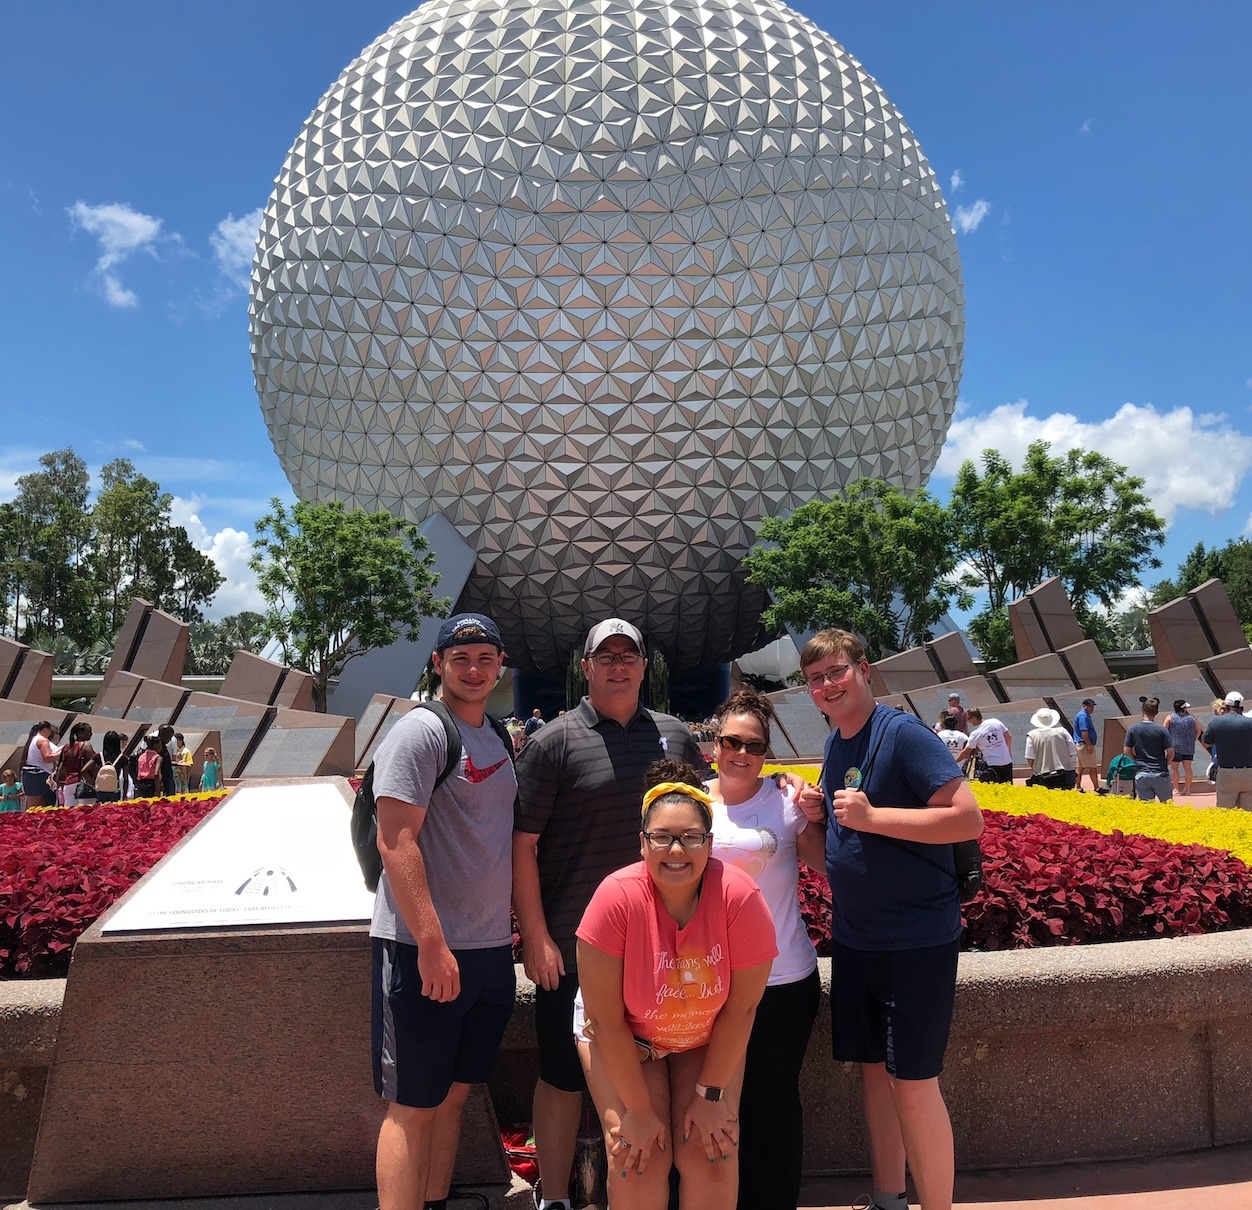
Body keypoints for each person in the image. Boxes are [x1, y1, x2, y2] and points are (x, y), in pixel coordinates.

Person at [513, 618, 708, 1210]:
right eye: (606, 657)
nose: (618, 666)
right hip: (576, 942)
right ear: (586, 667)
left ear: (645, 667)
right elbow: (522, 844)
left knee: (658, 1071)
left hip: (661, 946)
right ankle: (555, 1196)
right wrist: (538, 937)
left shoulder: (674, 738)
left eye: (629, 656)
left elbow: (699, 834)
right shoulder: (554, 742)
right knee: (563, 1075)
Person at [801, 628, 983, 1210]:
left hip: (916, 941)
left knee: (912, 1083)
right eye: (815, 678)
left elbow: (967, 819)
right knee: (874, 1075)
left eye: (837, 671)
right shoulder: (835, 746)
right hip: (858, 939)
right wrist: (812, 817)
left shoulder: (902, 734)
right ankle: (887, 1198)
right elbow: (840, 845)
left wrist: (874, 817)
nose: (828, 685)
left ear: (864, 670)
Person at [575, 760, 776, 1210]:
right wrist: (639, 1112)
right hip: (624, 1035)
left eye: (691, 837)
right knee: (637, 1156)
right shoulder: (615, 898)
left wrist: (710, 1097)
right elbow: (605, 1021)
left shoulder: (740, 897)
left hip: (705, 1034)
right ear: (642, 843)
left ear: (710, 843)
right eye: (661, 836)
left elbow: (741, 1009)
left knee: (713, 1153)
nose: (676, 850)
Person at [370, 612, 517, 1210]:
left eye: (485, 658)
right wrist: (431, 942)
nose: (474, 669)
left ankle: (433, 1202)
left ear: (500, 664)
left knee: (455, 1096)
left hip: (486, 951)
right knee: (411, 1106)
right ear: (438, 665)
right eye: (461, 659)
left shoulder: (499, 736)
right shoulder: (420, 732)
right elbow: (395, 838)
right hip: (423, 950)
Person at [704, 688, 824, 1210]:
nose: (741, 753)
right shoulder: (690, 801)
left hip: (782, 979)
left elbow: (826, 864)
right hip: (707, 982)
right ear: (714, 745)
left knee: (772, 1104)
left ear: (766, 752)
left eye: (754, 745)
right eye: (732, 741)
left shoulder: (786, 802)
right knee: (712, 1104)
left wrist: (817, 813)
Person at [1200, 691, 1252, 810]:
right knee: (1249, 812)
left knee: (1225, 811)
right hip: (1249, 771)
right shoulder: (1250, 723)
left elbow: (1205, 742)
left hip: (1226, 772)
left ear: (1226, 706)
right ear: (1242, 706)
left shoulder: (1217, 722)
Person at [1123, 697, 1173, 803]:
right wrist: (1165, 762)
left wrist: (1136, 761)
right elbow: (1171, 753)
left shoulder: (1133, 729)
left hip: (1142, 773)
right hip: (1160, 773)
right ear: (1156, 712)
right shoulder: (1162, 730)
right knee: (1167, 807)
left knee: (1147, 809)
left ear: (1142, 710)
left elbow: (1126, 751)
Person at [1024, 708, 1077, 791]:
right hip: (1065, 772)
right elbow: (1072, 751)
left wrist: (1036, 767)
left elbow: (1030, 758)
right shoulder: (1063, 731)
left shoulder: (1032, 735)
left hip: (1042, 775)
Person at [955, 708, 1013, 783]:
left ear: (974, 718)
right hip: (1007, 761)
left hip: (992, 764)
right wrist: (1007, 752)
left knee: (993, 789)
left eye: (969, 719)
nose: (968, 722)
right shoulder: (996, 722)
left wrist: (954, 761)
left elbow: (966, 752)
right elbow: (1008, 737)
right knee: (1007, 787)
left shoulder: (975, 733)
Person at [52, 722, 99, 805]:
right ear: (80, 733)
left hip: (68, 785)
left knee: (70, 814)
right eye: (89, 731)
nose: (91, 734)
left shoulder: (66, 748)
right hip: (82, 784)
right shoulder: (86, 746)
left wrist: (60, 783)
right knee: (87, 814)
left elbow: (62, 768)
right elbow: (95, 764)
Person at [1163, 700, 1203, 797]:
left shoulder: (1170, 717)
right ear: (1183, 708)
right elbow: (1198, 731)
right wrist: (1192, 739)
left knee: (1174, 768)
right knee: (1188, 768)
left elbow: (1163, 730)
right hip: (1189, 747)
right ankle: (1188, 789)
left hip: (1175, 746)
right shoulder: (1191, 719)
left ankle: (1176, 789)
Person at [20, 721, 57, 809]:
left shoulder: (32, 740)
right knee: (42, 805)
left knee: (33, 806)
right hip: (39, 775)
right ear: (45, 730)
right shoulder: (42, 740)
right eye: (50, 731)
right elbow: (47, 758)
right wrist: (62, 752)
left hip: (29, 775)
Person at [1072, 698, 1100, 793]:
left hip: (1081, 744)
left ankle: (1078, 788)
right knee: (1092, 767)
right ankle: (1096, 788)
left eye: (1092, 706)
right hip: (1084, 745)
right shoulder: (1083, 716)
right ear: (1084, 706)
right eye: (1090, 706)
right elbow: (1084, 731)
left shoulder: (1084, 715)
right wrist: (1089, 745)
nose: (1092, 708)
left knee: (1080, 767)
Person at [93, 731, 129, 804]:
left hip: (100, 791)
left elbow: (84, 770)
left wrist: (93, 783)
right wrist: (125, 794)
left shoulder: (98, 756)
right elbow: (126, 779)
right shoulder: (123, 758)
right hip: (114, 791)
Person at [135, 733, 164, 799]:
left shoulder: (141, 756)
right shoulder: (158, 758)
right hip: (151, 785)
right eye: (160, 745)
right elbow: (156, 774)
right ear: (155, 745)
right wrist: (157, 790)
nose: (161, 747)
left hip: (141, 784)